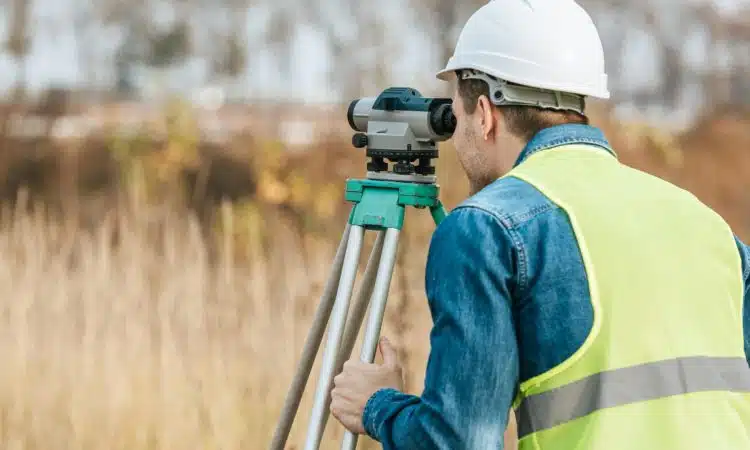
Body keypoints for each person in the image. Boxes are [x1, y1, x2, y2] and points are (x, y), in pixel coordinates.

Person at [329, 1, 750, 449]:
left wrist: (378, 405)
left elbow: (458, 441)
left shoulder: (485, 229)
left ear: (485, 114)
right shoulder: (707, 225)